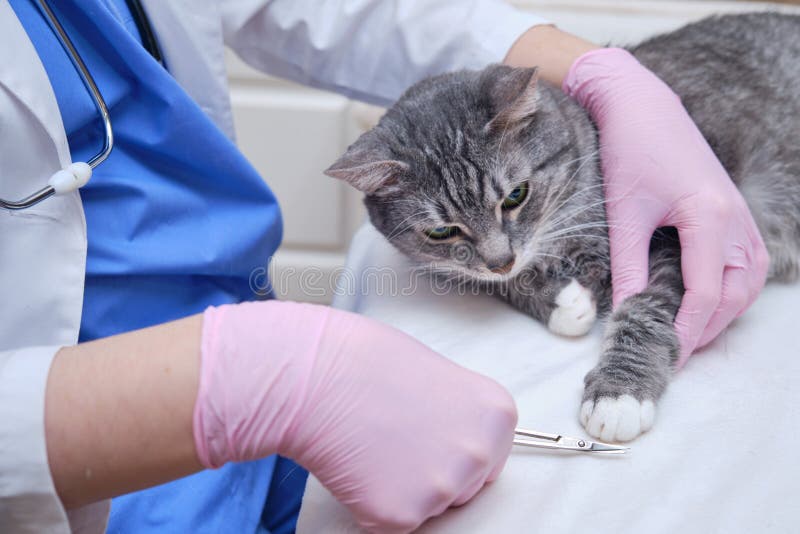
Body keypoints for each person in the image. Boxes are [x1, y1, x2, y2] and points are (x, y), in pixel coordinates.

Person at [0, 1, 768, 533]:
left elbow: (348, 11)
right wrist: (244, 379)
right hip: (78, 448)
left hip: (242, 359)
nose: (497, 258)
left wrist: (600, 71)